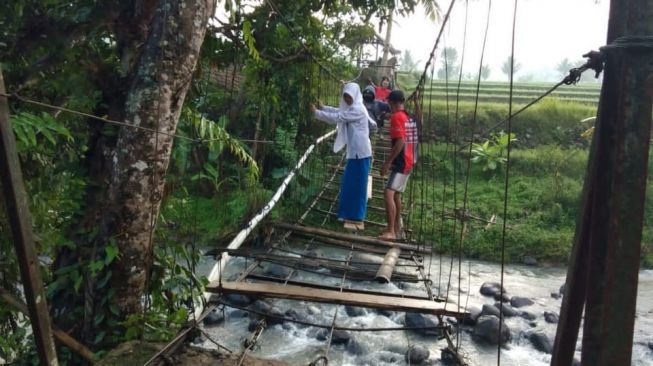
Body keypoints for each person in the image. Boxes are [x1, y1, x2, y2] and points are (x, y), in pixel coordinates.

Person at [310, 83, 376, 229]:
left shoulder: (358, 109)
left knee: (358, 186)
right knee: (349, 183)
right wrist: (324, 107)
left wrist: (316, 113)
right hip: (355, 152)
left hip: (361, 153)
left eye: (349, 97)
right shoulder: (354, 106)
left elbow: (338, 117)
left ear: (355, 96)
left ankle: (356, 216)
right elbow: (339, 111)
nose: (346, 99)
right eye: (345, 96)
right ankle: (347, 213)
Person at [379, 90, 418, 240]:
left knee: (388, 193)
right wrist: (416, 103)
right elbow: (421, 120)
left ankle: (391, 231)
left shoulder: (397, 117)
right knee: (396, 195)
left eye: (389, 102)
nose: (388, 104)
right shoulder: (410, 117)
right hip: (410, 160)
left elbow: (400, 142)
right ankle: (396, 228)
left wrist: (387, 163)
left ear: (393, 103)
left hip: (402, 162)